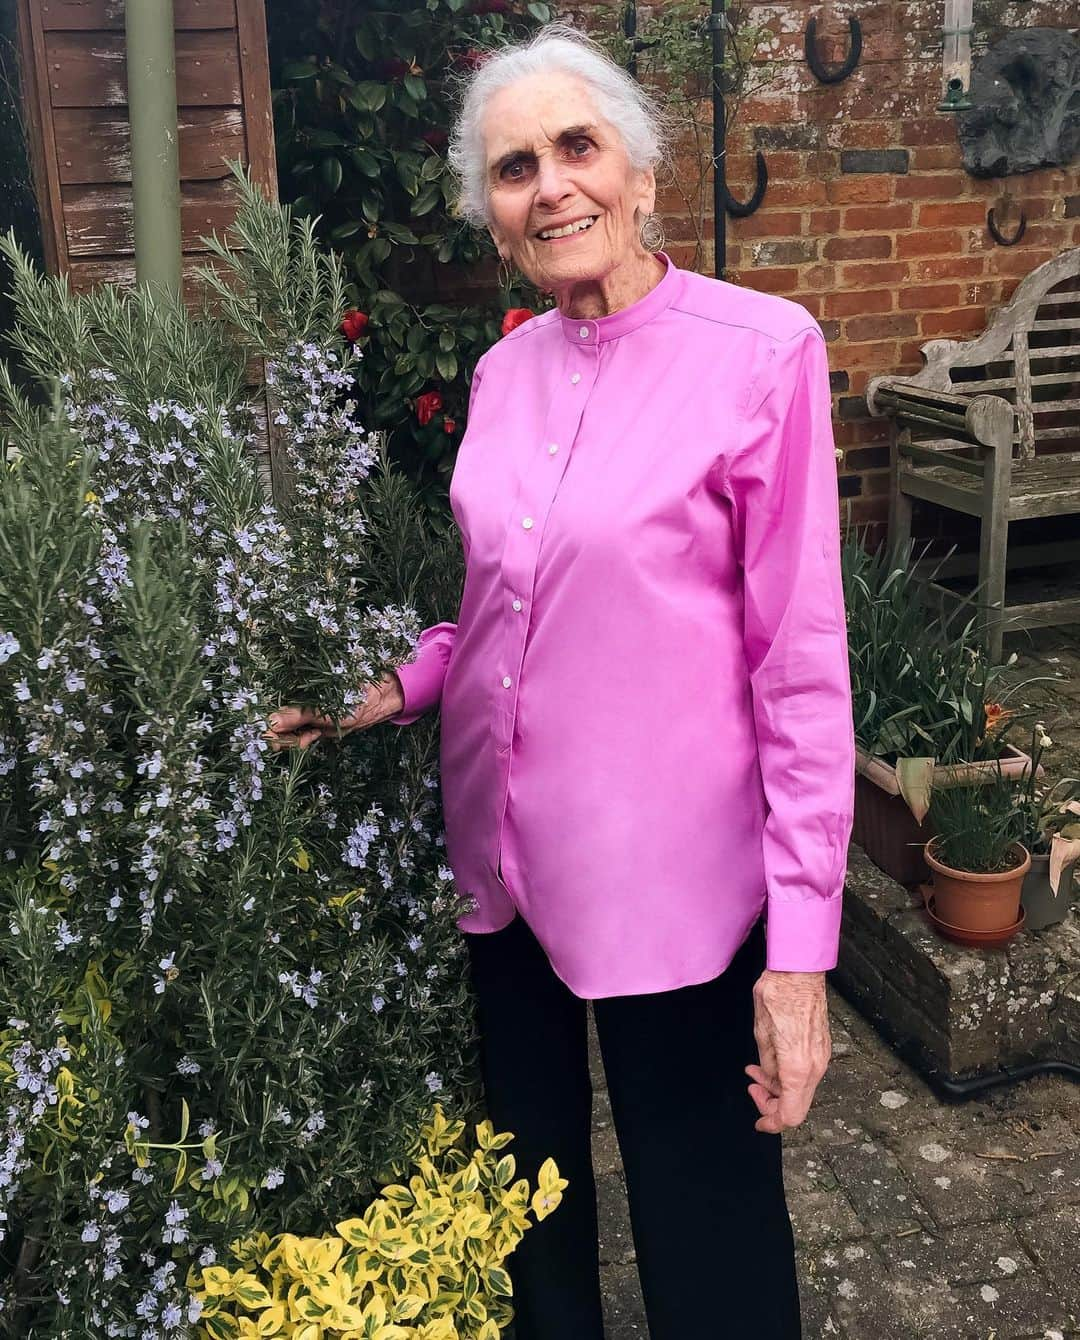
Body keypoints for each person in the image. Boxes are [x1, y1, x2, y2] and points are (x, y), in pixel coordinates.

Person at [268, 21, 855, 1339]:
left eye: (577, 147)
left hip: (673, 885)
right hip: (503, 870)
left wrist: (802, 949)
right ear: (494, 216)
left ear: (642, 172)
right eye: (516, 167)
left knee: (707, 1229)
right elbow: (492, 616)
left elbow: (803, 670)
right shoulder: (503, 371)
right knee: (527, 1219)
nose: (553, 187)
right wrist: (385, 688)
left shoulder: (761, 352)